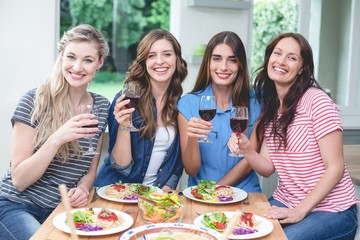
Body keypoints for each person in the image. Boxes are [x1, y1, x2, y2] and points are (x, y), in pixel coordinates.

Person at [228, 32, 358, 239]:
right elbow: (267, 168)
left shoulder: (317, 101)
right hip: (286, 201)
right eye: (277, 53)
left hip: (333, 211)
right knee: (233, 229)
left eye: (292, 57)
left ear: (301, 69)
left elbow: (335, 167)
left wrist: (300, 211)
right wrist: (247, 149)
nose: (281, 61)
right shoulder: (272, 110)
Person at [0, 24, 110, 240]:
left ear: (100, 62)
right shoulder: (34, 101)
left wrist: (83, 188)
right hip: (17, 205)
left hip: (61, 210)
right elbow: (19, 180)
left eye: (87, 60)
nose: (77, 67)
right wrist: (57, 138)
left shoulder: (101, 106)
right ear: (61, 56)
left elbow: (90, 167)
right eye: (71, 57)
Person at [95, 29, 187, 192]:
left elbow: (177, 161)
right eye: (151, 56)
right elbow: (121, 166)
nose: (160, 61)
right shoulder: (126, 100)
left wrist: (164, 192)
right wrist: (124, 126)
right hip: (116, 192)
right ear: (144, 61)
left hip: (153, 197)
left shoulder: (181, 104)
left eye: (167, 54)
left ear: (177, 59)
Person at [177, 31, 261, 192]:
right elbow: (191, 170)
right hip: (201, 193)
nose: (223, 67)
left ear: (241, 65)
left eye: (232, 60)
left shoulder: (256, 103)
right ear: (208, 62)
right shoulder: (188, 104)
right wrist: (193, 138)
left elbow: (250, 160)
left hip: (245, 192)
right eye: (216, 59)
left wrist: (215, 190)